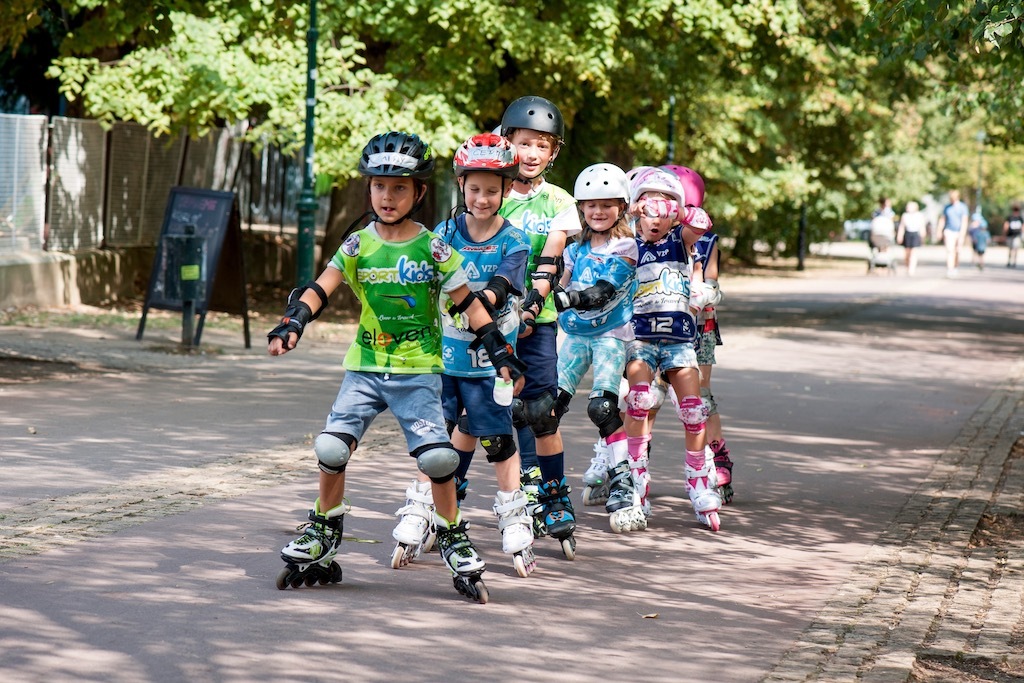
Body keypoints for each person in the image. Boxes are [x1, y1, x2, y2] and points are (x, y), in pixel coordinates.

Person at [267, 131, 526, 604]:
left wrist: (499, 351)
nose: (387, 196)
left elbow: (467, 302)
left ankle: (451, 533)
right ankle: (324, 527)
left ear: (419, 192)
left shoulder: (434, 248)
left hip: (417, 371)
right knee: (331, 447)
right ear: (368, 189)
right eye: (379, 186)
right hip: (365, 367)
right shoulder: (356, 245)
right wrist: (295, 320)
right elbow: (321, 286)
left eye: (400, 188)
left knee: (438, 459)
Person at [425, 132, 535, 577]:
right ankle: (428, 508)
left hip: (492, 360)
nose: (482, 198)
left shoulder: (515, 240)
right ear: (461, 186)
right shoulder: (444, 233)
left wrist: (480, 299)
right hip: (443, 357)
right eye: (474, 189)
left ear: (507, 188)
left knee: (498, 438)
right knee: (436, 439)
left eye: (492, 189)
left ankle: (514, 513)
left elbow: (504, 284)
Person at [497, 95, 583, 557]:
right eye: (524, 142)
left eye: (542, 145)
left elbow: (551, 255)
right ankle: (445, 501)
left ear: (553, 152)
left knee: (541, 411)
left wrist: (531, 306)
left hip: (538, 318)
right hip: (486, 321)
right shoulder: (489, 189)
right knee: (471, 413)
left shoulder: (559, 201)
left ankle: (552, 494)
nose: (531, 153)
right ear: (507, 141)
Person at [623, 167, 723, 531]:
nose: (654, 217)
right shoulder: (628, 244)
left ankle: (698, 481)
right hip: (641, 339)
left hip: (678, 341)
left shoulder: (681, 240)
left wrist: (675, 210)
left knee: (694, 410)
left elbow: (702, 222)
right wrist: (630, 211)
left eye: (662, 208)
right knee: (638, 401)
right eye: (646, 207)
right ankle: (635, 481)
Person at [550, 163, 639, 534]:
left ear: (622, 207)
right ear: (581, 209)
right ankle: (544, 485)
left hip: (609, 335)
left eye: (606, 204)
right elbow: (559, 282)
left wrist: (569, 298)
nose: (598, 211)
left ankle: (622, 479)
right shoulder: (576, 249)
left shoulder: (627, 246)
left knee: (602, 407)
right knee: (547, 408)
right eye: (591, 205)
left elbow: (603, 290)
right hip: (575, 335)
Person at [664, 165, 732, 504]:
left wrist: (704, 292)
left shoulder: (706, 241)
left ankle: (716, 456)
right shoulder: (648, 237)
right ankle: (628, 459)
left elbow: (711, 282)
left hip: (698, 327)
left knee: (699, 395)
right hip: (656, 326)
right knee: (642, 395)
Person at [936, 190, 970, 278]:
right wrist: (939, 231)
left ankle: (955, 267)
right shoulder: (947, 207)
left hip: (959, 231)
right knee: (950, 250)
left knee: (957, 251)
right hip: (949, 231)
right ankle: (950, 269)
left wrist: (962, 234)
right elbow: (942, 219)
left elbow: (964, 221)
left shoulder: (962, 207)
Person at [895, 201, 927, 276]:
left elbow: (922, 226)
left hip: (915, 234)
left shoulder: (919, 215)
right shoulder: (905, 215)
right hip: (907, 234)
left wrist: (923, 236)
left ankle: (911, 269)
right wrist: (899, 236)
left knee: (914, 252)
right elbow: (902, 226)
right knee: (907, 253)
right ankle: (907, 266)